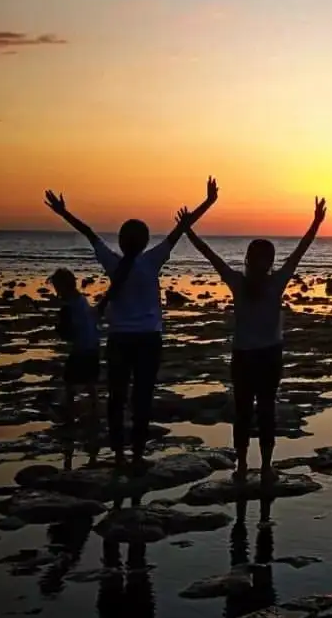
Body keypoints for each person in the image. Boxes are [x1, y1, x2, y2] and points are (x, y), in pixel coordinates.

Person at [44, 177, 219, 471]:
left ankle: (120, 455)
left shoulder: (114, 263)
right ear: (145, 241)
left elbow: (88, 232)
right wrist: (209, 202)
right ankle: (136, 453)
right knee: (142, 398)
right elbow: (180, 230)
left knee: (117, 398)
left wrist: (63, 212)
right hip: (148, 339)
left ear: (123, 241)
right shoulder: (151, 261)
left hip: (120, 340)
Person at [178, 197, 327, 487]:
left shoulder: (240, 282)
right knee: (263, 410)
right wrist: (316, 222)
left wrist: (188, 230)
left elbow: (210, 255)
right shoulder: (272, 281)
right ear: (269, 261)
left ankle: (246, 466)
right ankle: (263, 467)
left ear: (249, 258)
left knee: (246, 411)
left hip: (248, 356)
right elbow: (300, 250)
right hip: (265, 356)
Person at [50, 267, 100, 424]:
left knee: (70, 380)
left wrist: (59, 328)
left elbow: (68, 331)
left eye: (58, 288)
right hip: (93, 345)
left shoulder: (70, 307)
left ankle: (70, 409)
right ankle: (94, 408)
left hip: (81, 348)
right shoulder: (82, 300)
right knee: (90, 380)